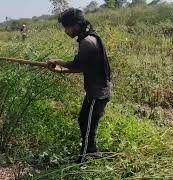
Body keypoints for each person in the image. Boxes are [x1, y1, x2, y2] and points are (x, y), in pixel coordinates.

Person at [46, 8, 112, 163]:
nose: (65, 31)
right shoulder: (88, 38)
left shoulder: (88, 43)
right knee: (83, 120)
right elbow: (83, 67)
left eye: (66, 27)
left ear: (75, 26)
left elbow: (76, 65)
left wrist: (57, 61)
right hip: (95, 91)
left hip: (98, 93)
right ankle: (92, 151)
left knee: (88, 127)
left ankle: (82, 161)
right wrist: (61, 70)